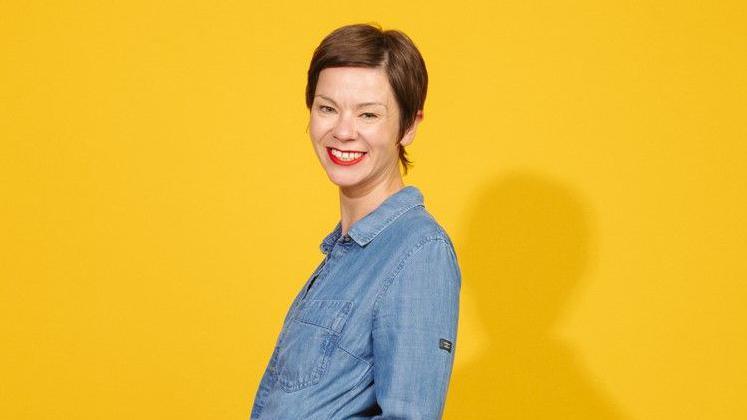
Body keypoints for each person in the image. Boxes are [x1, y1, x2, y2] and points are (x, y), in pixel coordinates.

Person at [250, 23, 461, 419]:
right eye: (327, 108)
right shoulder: (346, 256)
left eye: (368, 114)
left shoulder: (418, 253)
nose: (343, 131)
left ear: (409, 126)